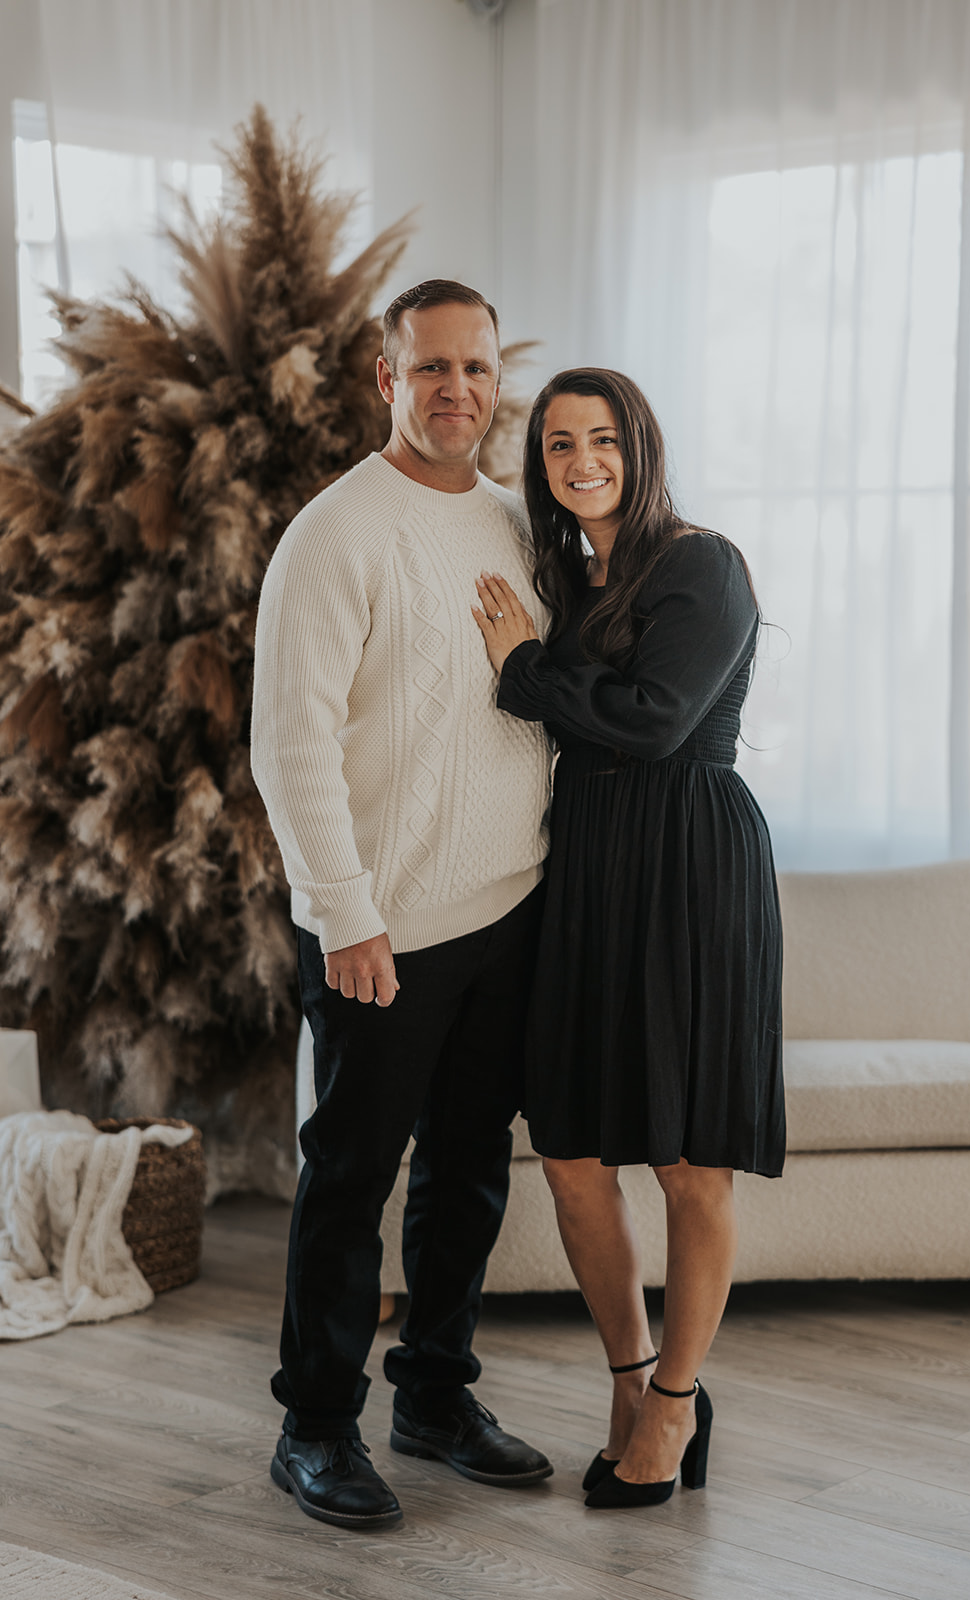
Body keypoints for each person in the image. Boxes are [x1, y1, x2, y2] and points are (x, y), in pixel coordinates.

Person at [251, 280, 555, 1531]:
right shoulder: (335, 534)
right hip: (382, 928)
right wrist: (345, 915)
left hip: (508, 907)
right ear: (387, 378)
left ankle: (432, 1394)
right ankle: (316, 1423)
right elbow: (291, 748)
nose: (456, 391)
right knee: (350, 1175)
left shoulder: (513, 524)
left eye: (475, 368)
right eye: (430, 368)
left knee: (469, 1171)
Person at [472, 367, 785, 1510]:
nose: (581, 462)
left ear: (638, 446)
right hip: (590, 869)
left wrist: (524, 672)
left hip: (690, 869)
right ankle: (628, 1372)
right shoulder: (565, 570)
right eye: (558, 445)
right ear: (541, 465)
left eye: (601, 439)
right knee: (568, 1152)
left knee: (688, 1162)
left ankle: (674, 1403)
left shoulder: (699, 561)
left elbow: (654, 724)